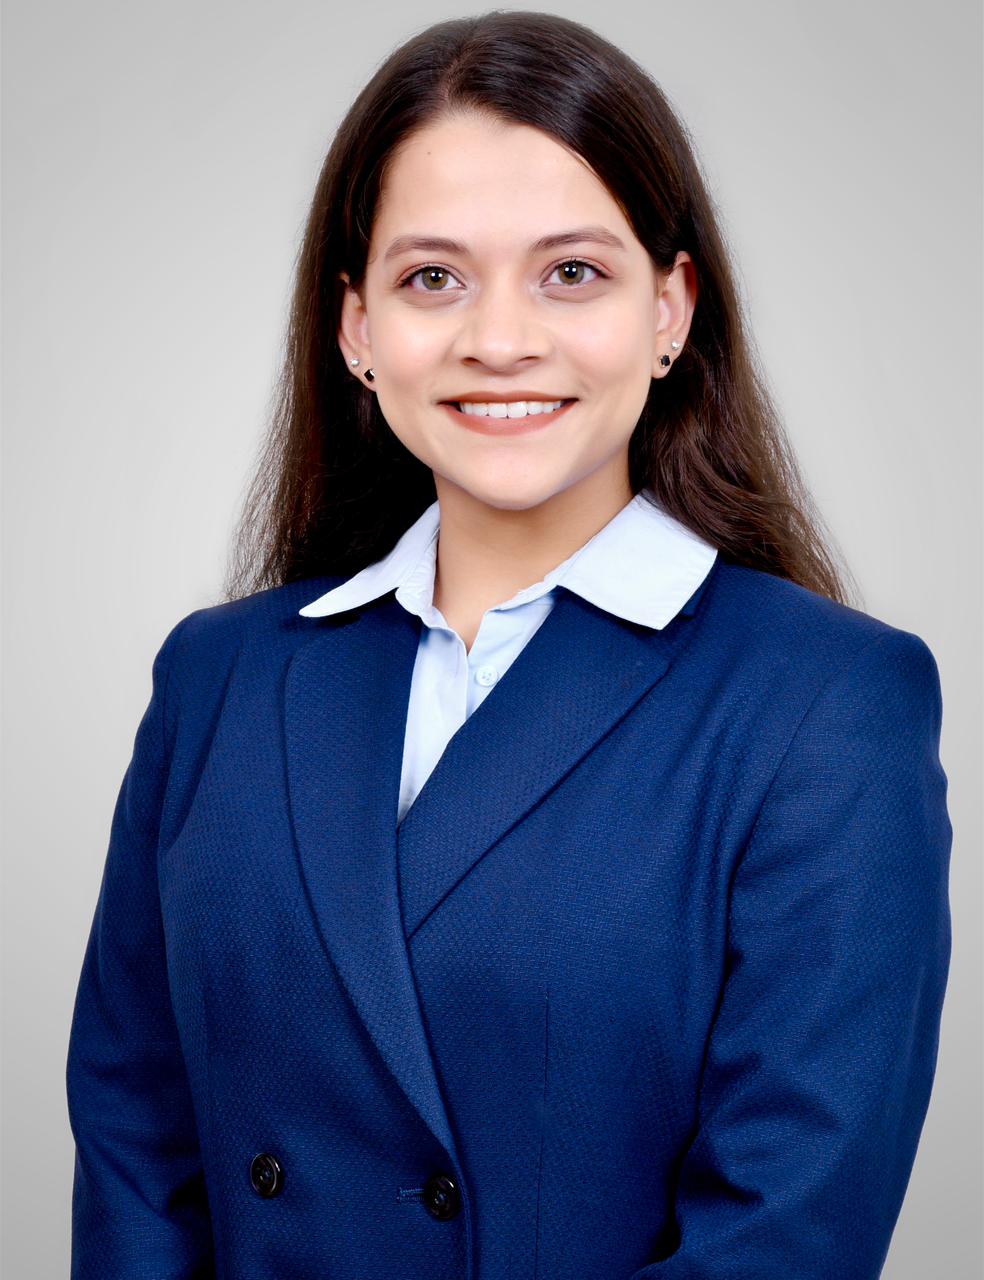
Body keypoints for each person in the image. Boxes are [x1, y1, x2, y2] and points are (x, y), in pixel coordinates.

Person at [65, 11, 952, 1279]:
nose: (500, 340)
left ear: (671, 309)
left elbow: (784, 1230)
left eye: (571, 273)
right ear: (357, 327)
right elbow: (134, 1148)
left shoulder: (827, 702)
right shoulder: (218, 677)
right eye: (433, 278)